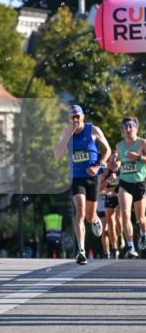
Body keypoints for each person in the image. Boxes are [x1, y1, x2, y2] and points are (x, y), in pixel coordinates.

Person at [54, 104, 111, 265]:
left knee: (89, 216)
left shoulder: (93, 130)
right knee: (80, 210)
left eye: (78, 116)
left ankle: (94, 220)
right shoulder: (66, 132)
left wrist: (98, 165)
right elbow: (57, 155)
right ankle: (81, 250)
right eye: (72, 117)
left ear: (83, 116)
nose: (76, 119)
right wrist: (68, 136)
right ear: (69, 118)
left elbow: (107, 150)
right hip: (77, 177)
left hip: (92, 176)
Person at [115, 116, 146, 259]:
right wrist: (115, 164)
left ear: (136, 128)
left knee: (140, 218)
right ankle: (130, 246)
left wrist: (138, 157)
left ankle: (144, 233)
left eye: (130, 126)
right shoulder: (119, 145)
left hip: (139, 182)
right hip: (124, 182)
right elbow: (119, 162)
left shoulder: (142, 143)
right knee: (125, 213)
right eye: (125, 126)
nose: (127, 129)